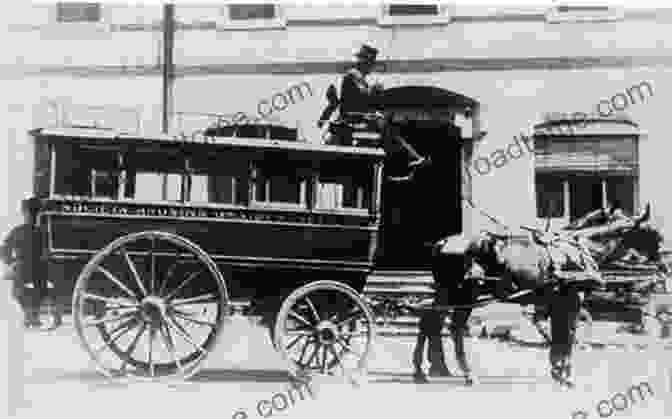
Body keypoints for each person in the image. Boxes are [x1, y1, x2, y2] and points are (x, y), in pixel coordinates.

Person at [319, 44, 430, 181]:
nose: (371, 67)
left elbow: (366, 100)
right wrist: (374, 91)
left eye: (371, 63)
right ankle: (406, 161)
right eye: (370, 63)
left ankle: (406, 161)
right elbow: (362, 97)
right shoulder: (352, 75)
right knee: (383, 126)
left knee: (386, 126)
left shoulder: (360, 78)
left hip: (358, 117)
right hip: (350, 119)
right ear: (364, 62)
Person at [0, 198, 47, 328]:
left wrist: (10, 262)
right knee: (20, 291)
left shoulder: (40, 231)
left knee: (32, 290)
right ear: (25, 213)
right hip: (27, 266)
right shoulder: (34, 231)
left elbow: (4, 248)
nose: (31, 216)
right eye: (29, 213)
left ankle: (32, 315)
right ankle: (30, 314)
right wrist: (10, 262)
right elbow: (4, 248)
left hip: (36, 267)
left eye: (34, 212)